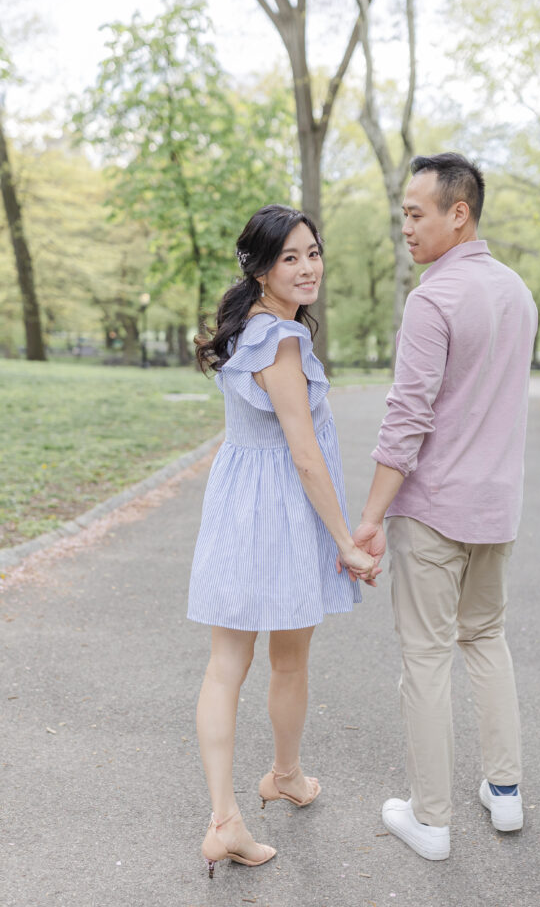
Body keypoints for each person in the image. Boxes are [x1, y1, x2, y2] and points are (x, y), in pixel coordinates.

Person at [350, 153, 537, 861]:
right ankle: (505, 792)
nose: (405, 225)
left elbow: (407, 418)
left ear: (458, 213)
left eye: (415, 212)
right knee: (485, 639)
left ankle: (429, 820)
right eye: (403, 212)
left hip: (433, 511)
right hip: (497, 508)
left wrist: (369, 517)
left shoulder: (432, 298)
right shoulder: (517, 292)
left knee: (425, 658)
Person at [188, 204, 378, 876]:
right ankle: (244, 805)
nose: (306, 267)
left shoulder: (249, 330)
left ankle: (268, 789)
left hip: (237, 505)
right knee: (285, 662)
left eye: (312, 253)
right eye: (289, 257)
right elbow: (303, 453)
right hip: (281, 512)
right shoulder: (282, 341)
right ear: (261, 268)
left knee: (226, 665)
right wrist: (346, 544)